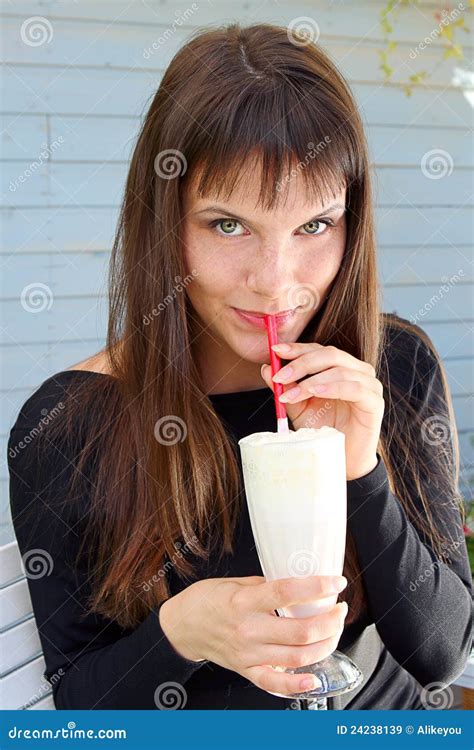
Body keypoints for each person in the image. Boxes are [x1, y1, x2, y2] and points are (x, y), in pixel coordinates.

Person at [8, 22, 472, 710]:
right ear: (165, 220)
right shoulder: (69, 425)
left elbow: (441, 655)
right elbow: (81, 703)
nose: (276, 282)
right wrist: (183, 631)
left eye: (314, 225)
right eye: (228, 225)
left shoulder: (389, 366)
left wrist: (361, 471)